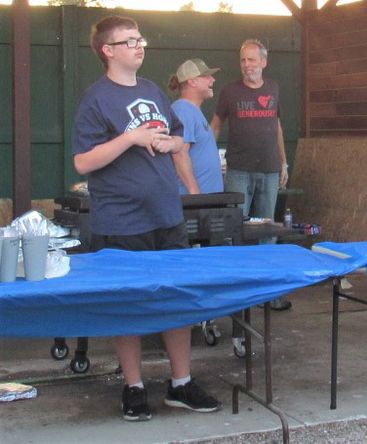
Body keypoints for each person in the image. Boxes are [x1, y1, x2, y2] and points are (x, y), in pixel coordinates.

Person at [72, 15, 221, 421]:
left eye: (141, 39)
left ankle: (181, 383)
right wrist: (131, 138)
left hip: (165, 215)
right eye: (130, 40)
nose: (140, 46)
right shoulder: (96, 99)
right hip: (121, 220)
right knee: (129, 304)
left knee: (177, 297)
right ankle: (133, 386)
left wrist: (171, 141)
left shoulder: (154, 91)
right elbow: (83, 162)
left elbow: (176, 140)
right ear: (108, 50)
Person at [211, 38, 291, 311]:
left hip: (269, 169)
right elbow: (216, 126)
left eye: (252, 60)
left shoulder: (273, 88)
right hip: (239, 170)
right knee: (237, 229)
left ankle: (266, 291)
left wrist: (284, 163)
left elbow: (277, 126)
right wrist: (208, 157)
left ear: (264, 62)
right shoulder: (229, 91)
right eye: (243, 60)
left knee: (267, 230)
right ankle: (239, 289)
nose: (247, 65)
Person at [168, 59, 223, 195]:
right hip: (194, 203)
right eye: (206, 76)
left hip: (204, 201)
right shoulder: (183, 109)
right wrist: (195, 193)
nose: (213, 80)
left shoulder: (192, 110)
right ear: (192, 81)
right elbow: (179, 153)